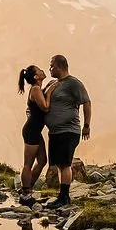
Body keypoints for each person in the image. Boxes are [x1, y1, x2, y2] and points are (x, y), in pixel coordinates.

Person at [42, 54, 91, 208]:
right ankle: (61, 196)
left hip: (68, 130)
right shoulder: (54, 84)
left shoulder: (73, 84)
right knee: (58, 164)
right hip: (55, 132)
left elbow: (86, 102)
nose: (49, 68)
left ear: (59, 66)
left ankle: (64, 197)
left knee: (65, 164)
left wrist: (87, 125)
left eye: (51, 65)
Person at [16, 64, 50, 202]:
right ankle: (25, 193)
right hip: (31, 130)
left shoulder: (38, 89)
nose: (43, 71)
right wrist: (51, 91)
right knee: (28, 164)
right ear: (36, 76)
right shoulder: (35, 89)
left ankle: (28, 187)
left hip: (35, 130)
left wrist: (48, 88)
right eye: (40, 70)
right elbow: (45, 107)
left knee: (42, 161)